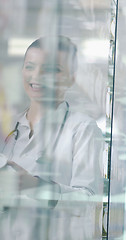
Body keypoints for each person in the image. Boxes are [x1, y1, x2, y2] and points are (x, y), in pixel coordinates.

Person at [0, 36, 104, 239]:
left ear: (71, 78)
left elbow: (89, 201)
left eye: (51, 69)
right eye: (30, 66)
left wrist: (36, 185)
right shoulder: (9, 128)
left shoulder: (83, 128)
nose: (37, 76)